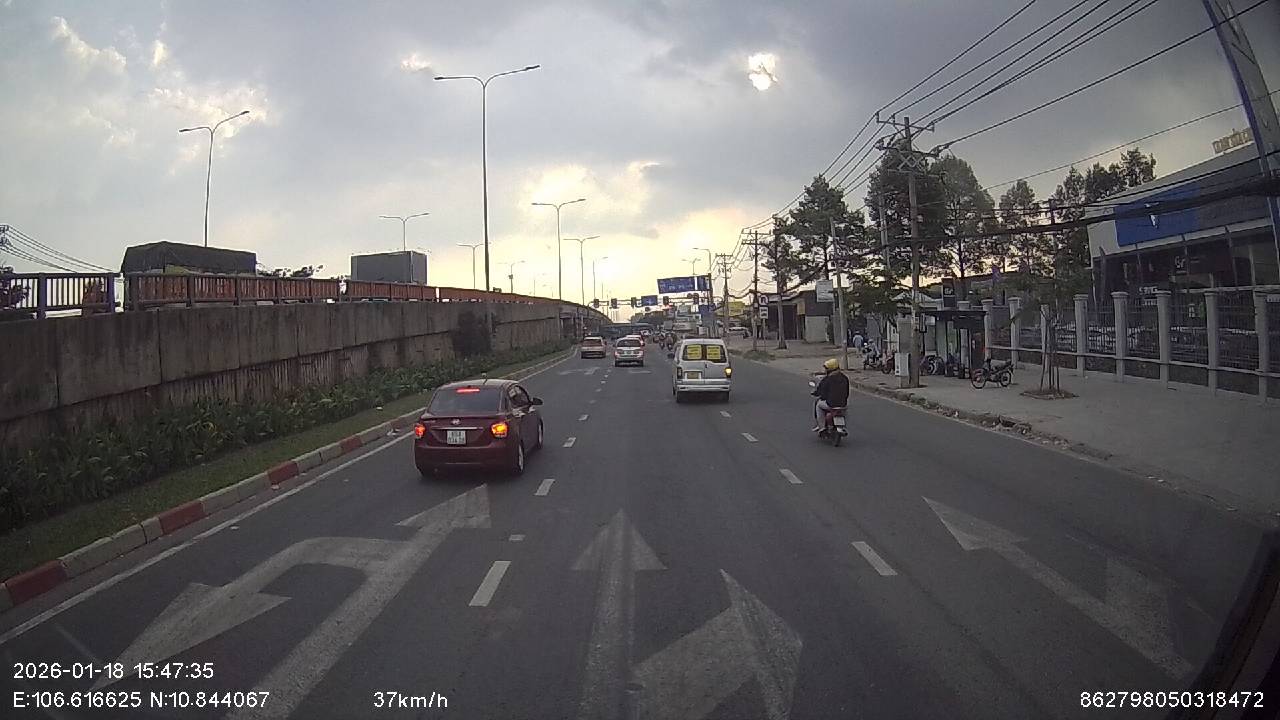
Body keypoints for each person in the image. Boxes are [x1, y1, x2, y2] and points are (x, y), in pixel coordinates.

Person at [811, 358, 850, 431]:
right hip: (843, 404)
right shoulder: (845, 378)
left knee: (818, 405)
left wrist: (816, 393)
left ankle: (821, 426)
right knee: (844, 411)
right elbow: (847, 392)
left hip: (831, 404)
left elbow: (821, 391)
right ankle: (842, 427)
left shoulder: (828, 379)